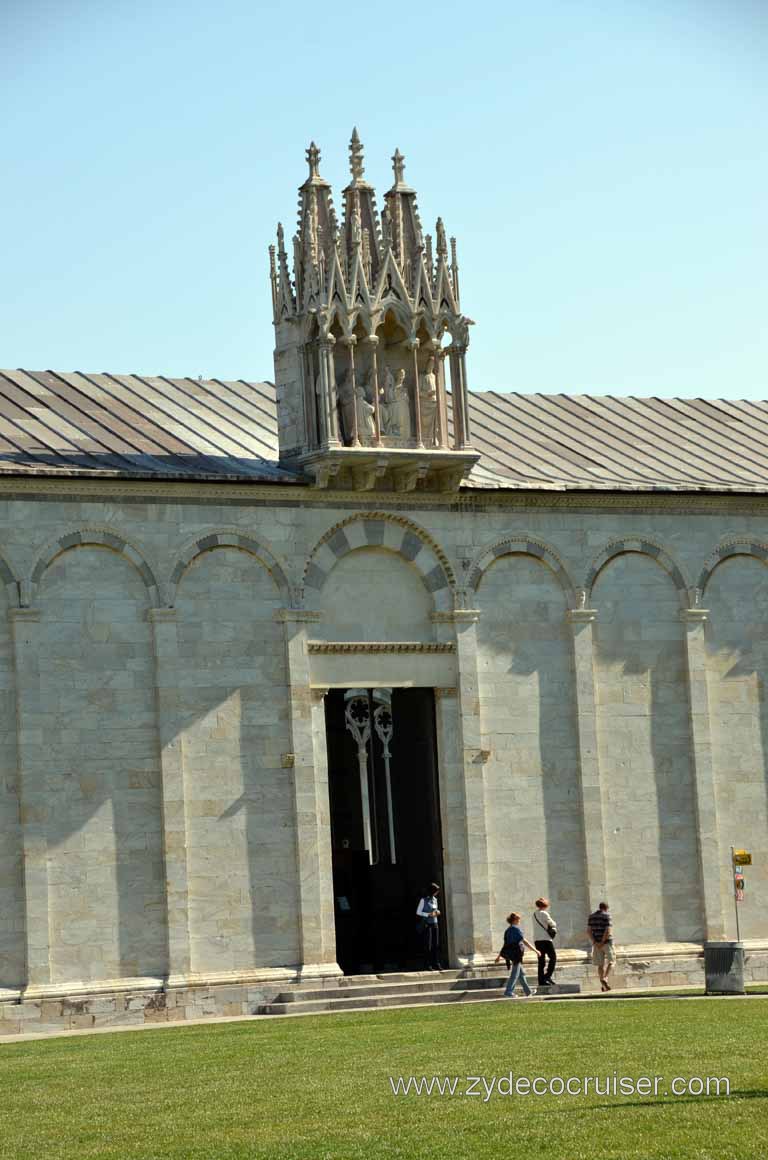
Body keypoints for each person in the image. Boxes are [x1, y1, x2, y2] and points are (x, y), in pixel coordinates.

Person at [495, 911, 541, 998]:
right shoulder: (516, 930)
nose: (519, 921)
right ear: (515, 920)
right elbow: (524, 941)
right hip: (517, 954)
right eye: (518, 919)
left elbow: (505, 944)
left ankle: (528, 992)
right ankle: (508, 991)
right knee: (515, 974)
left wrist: (499, 956)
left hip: (512, 955)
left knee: (521, 974)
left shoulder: (507, 931)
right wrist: (536, 951)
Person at [587, 901, 615, 991]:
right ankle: (605, 978)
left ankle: (603, 986)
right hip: (607, 942)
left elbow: (588, 931)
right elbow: (608, 930)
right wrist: (602, 942)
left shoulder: (591, 917)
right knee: (612, 961)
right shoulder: (607, 916)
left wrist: (595, 942)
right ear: (606, 908)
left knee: (600, 965)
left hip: (596, 943)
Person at [532, 897, 557, 987]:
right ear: (544, 905)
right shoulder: (544, 913)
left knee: (541, 961)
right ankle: (547, 976)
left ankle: (541, 980)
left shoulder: (534, 914)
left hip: (537, 940)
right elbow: (553, 924)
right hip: (546, 939)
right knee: (553, 958)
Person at [416, 883, 441, 971]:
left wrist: (437, 912)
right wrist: (428, 914)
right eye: (436, 891)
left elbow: (435, 909)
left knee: (436, 945)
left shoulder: (435, 900)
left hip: (435, 923)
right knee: (428, 945)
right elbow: (418, 912)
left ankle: (437, 963)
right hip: (427, 924)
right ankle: (428, 964)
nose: (437, 893)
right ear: (432, 891)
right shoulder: (424, 900)